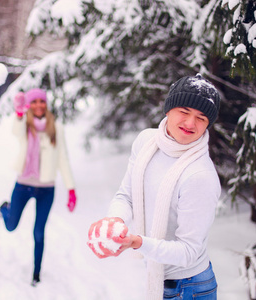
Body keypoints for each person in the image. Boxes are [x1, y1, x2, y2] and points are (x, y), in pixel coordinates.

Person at [87, 74, 221, 300]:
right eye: (184, 111)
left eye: (201, 118)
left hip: (189, 287)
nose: (190, 123)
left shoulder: (200, 176)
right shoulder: (146, 142)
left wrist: (138, 242)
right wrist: (114, 222)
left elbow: (189, 252)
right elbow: (126, 196)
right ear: (168, 109)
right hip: (159, 277)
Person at [0, 88, 77, 287]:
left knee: (39, 232)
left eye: (42, 101)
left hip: (46, 189)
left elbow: (63, 158)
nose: (39, 105)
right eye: (34, 102)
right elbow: (15, 131)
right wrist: (18, 113)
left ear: (46, 104)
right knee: (11, 226)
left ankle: (36, 273)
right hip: (23, 185)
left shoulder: (56, 127)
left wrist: (71, 189)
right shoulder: (25, 123)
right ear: (29, 105)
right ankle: (4, 209)